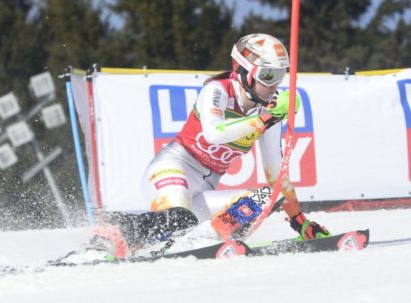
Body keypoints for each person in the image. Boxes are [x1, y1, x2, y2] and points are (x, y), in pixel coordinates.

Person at [94, 33, 330, 258]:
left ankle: (203, 237)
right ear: (244, 71)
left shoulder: (268, 111)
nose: (274, 85)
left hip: (205, 189)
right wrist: (265, 119)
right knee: (179, 217)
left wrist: (299, 221)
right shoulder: (217, 91)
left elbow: (275, 172)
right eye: (267, 75)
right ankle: (114, 233)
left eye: (279, 76)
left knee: (267, 197)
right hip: (173, 168)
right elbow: (214, 133)